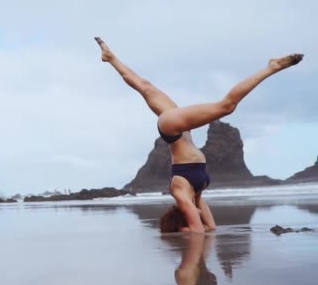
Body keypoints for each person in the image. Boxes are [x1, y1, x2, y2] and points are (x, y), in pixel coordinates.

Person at [95, 37, 303, 233]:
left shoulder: (180, 193)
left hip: (171, 131)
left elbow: (196, 230)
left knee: (226, 107)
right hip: (180, 131)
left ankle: (272, 67)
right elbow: (210, 228)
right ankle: (111, 58)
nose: (195, 212)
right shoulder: (197, 194)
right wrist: (198, 225)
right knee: (145, 87)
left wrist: (188, 229)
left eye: (189, 214)